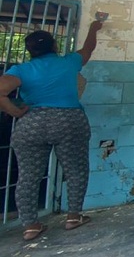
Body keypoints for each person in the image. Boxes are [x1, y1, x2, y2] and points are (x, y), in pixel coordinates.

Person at [0, 21, 103, 241]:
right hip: (69, 120)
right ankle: (74, 216)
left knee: (28, 176)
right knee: (76, 170)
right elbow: (88, 49)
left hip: (32, 123)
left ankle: (31, 226)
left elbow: (1, 91)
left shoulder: (21, 70)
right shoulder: (69, 62)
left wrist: (16, 112)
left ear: (29, 51)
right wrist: (94, 28)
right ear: (55, 46)